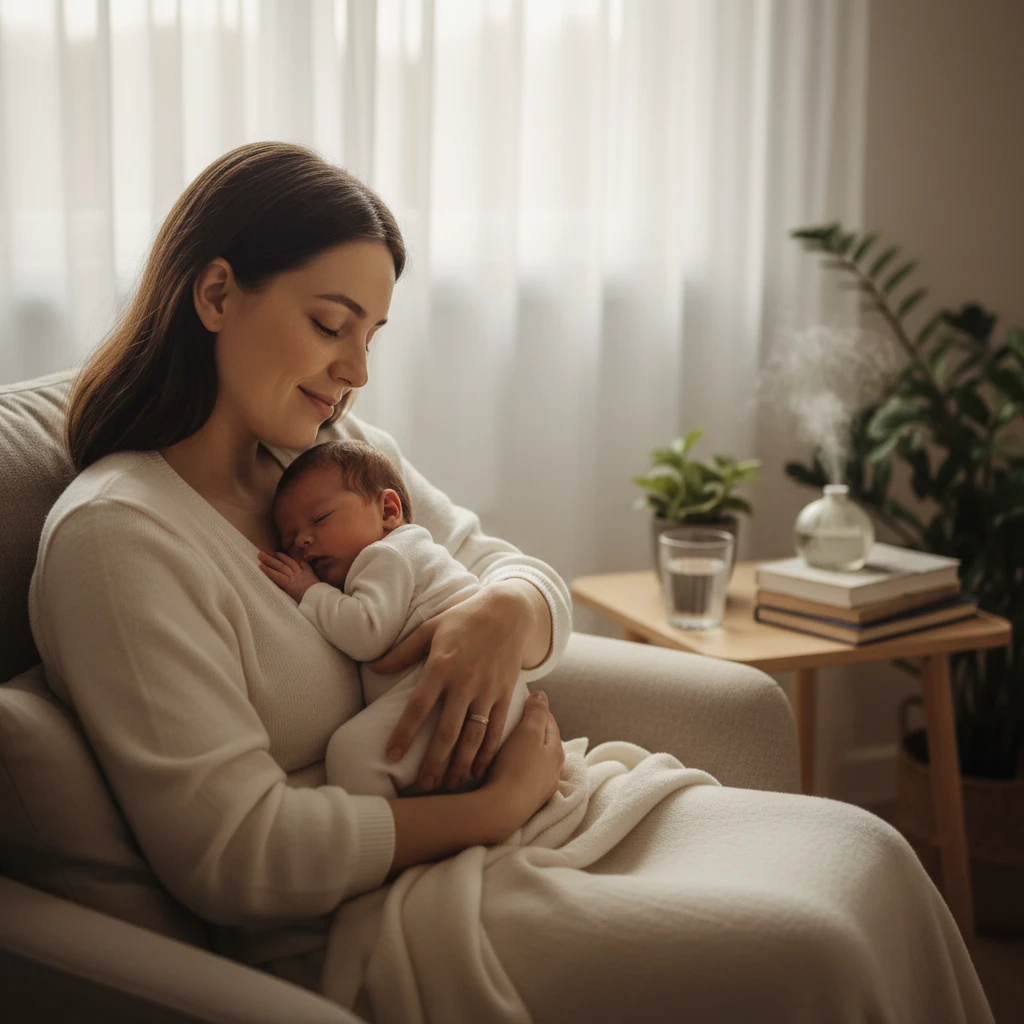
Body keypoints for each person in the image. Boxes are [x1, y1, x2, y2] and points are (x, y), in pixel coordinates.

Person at [28, 141, 993, 1022]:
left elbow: (513, 569)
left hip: (532, 818)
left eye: (373, 333)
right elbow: (236, 856)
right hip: (379, 909)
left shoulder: (335, 456)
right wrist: (491, 809)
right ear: (215, 295)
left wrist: (503, 611)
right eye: (332, 325)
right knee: (810, 952)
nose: (356, 369)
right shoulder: (121, 543)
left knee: (872, 857)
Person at [257, 438, 531, 799]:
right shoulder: (408, 552)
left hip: (457, 690)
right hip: (483, 694)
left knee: (351, 753)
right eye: (290, 539)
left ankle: (396, 838)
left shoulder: (387, 555)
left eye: (320, 519)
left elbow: (366, 634)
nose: (303, 542)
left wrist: (309, 590)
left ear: (388, 510)